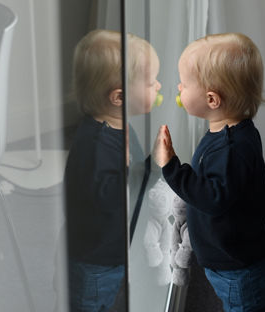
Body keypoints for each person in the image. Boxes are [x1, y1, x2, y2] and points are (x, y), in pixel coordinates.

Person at [153, 32, 265, 312]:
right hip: (237, 257)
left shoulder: (230, 148)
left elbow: (213, 197)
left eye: (184, 84)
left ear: (212, 100)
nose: (178, 87)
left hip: (239, 268)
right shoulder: (232, 131)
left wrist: (171, 166)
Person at [57, 29, 161, 312]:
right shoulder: (97, 145)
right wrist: (142, 169)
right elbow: (109, 198)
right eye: (151, 83)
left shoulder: (120, 127)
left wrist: (153, 166)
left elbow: (135, 180)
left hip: (110, 252)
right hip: (94, 260)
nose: (159, 87)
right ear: (119, 97)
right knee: (90, 303)